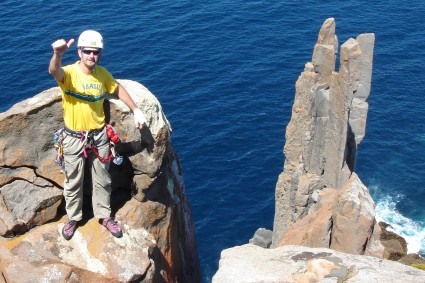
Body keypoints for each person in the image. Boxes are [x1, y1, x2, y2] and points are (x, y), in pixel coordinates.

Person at [48, 30, 146, 240]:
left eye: (96, 52)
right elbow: (54, 71)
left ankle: (104, 215)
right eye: (88, 52)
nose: (92, 56)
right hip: (74, 137)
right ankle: (73, 218)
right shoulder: (70, 73)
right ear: (79, 52)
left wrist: (135, 109)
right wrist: (58, 54)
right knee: (73, 180)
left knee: (102, 178)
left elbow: (117, 88)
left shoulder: (102, 74)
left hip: (99, 136)